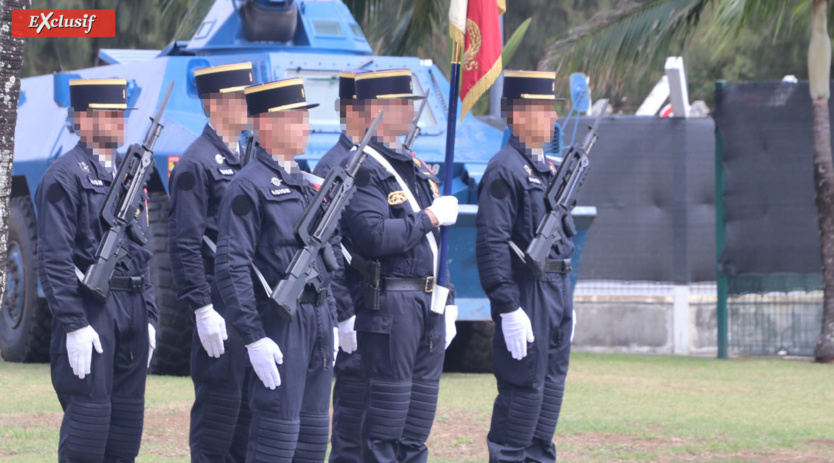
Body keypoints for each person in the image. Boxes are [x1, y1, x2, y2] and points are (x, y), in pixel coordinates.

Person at [213, 77, 338, 462]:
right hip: (280, 325)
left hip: (316, 320)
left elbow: (322, 257)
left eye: (305, 117)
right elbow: (231, 267)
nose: (307, 126)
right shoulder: (247, 187)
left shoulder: (304, 183)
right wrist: (253, 337)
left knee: (312, 440)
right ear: (266, 124)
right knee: (276, 439)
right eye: (296, 118)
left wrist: (333, 317)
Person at [35, 78, 158, 462]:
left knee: (125, 435)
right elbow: (54, 258)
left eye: (122, 113)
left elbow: (142, 250)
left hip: (132, 308)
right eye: (110, 114)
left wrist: (149, 316)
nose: (120, 121)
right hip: (93, 311)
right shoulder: (64, 176)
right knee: (88, 431)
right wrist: (74, 324)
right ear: (84, 119)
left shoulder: (130, 174)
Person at [340, 68, 458, 462]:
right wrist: (429, 217)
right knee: (385, 426)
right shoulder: (362, 168)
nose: (410, 111)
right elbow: (374, 235)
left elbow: (435, 248)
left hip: (428, 303)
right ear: (375, 109)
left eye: (410, 103)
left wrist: (448, 295)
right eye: (401, 104)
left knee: (416, 427)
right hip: (392, 306)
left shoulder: (412, 166)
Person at [475, 70, 575, 463]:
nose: (553, 117)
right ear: (518, 114)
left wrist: (566, 302)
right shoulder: (505, 169)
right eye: (544, 109)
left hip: (555, 292)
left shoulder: (547, 170)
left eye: (552, 108)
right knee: (522, 401)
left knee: (548, 400)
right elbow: (492, 243)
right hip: (527, 293)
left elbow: (563, 240)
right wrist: (508, 307)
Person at [168, 62, 253, 462]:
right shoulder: (196, 163)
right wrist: (202, 308)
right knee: (218, 416)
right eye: (240, 98)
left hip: (249, 302)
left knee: (247, 418)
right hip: (219, 303)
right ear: (215, 104)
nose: (248, 104)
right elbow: (185, 244)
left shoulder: (247, 158)